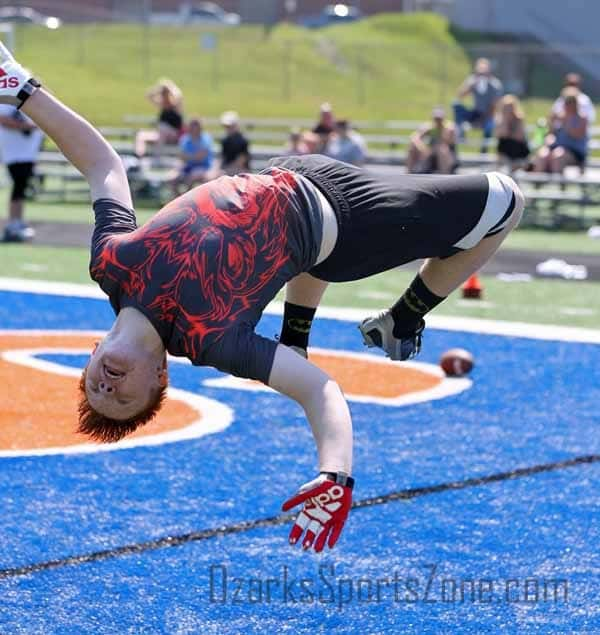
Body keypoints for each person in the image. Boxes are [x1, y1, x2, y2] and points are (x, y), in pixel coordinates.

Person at [0, 44, 525, 553]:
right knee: (506, 199)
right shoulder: (211, 342)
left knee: (288, 259)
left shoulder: (112, 264)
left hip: (292, 168)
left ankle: (297, 336)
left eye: (95, 388)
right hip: (350, 223)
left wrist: (23, 89)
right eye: (122, 398)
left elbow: (103, 166)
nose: (107, 387)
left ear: (91, 353)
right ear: (161, 376)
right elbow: (322, 394)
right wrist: (336, 474)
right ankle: (404, 319)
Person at [0, 103, 43, 242]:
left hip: (26, 152)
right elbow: (3, 119)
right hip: (15, 152)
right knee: (19, 186)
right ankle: (13, 222)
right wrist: (27, 126)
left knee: (21, 187)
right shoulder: (7, 102)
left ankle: (17, 220)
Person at [453, 58, 503, 152]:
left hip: (489, 115)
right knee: (456, 105)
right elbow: (460, 95)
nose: (482, 75)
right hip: (476, 112)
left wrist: (483, 119)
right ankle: (460, 133)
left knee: (489, 126)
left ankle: (484, 151)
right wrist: (471, 86)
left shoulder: (495, 85)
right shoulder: (473, 81)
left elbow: (494, 106)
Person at [533, 89, 588, 174]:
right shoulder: (560, 117)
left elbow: (577, 135)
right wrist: (551, 123)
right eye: (566, 101)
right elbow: (551, 134)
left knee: (558, 156)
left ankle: (559, 185)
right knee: (542, 155)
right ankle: (537, 183)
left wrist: (565, 122)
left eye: (570, 101)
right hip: (556, 147)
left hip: (574, 151)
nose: (567, 104)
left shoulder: (582, 118)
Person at [134, 78, 184, 158]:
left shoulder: (176, 106)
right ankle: (139, 156)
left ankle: (157, 158)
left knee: (163, 131)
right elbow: (148, 96)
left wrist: (169, 86)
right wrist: (159, 88)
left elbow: (179, 95)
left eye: (166, 93)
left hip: (174, 137)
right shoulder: (162, 105)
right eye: (163, 94)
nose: (164, 96)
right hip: (161, 135)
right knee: (141, 135)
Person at [406, 107, 458, 174]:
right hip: (430, 154)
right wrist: (423, 148)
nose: (438, 121)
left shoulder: (449, 127)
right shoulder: (429, 127)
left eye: (439, 119)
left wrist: (442, 131)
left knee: (442, 149)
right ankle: (409, 173)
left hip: (447, 155)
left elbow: (448, 142)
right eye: (436, 119)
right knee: (412, 147)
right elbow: (414, 137)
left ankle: (445, 174)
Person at [170, 117, 214, 195]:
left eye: (195, 126)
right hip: (188, 166)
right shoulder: (185, 139)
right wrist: (192, 157)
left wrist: (189, 157)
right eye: (192, 126)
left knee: (192, 176)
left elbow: (201, 157)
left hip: (204, 167)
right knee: (173, 178)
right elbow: (182, 156)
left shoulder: (206, 138)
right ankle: (178, 199)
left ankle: (188, 202)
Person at [495, 95, 529, 171]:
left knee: (516, 163)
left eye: (510, 107)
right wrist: (506, 120)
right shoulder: (500, 120)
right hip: (505, 151)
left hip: (518, 150)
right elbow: (502, 134)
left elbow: (519, 137)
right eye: (506, 107)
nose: (508, 110)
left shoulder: (519, 119)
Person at [218, 110, 250, 175]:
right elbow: (222, 157)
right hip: (227, 169)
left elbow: (241, 161)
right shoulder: (225, 140)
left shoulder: (242, 140)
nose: (227, 128)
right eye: (226, 126)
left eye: (230, 126)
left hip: (241, 170)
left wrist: (225, 170)